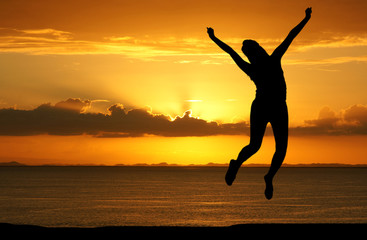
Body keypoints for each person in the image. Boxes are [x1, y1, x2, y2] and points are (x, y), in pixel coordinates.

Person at [207, 8, 312, 199]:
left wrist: (305, 19)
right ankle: (239, 165)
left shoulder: (266, 62)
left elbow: (291, 36)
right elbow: (231, 52)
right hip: (266, 107)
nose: (255, 52)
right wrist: (214, 38)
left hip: (275, 106)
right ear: (255, 52)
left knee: (276, 148)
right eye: (252, 50)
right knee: (257, 146)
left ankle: (267, 176)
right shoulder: (265, 63)